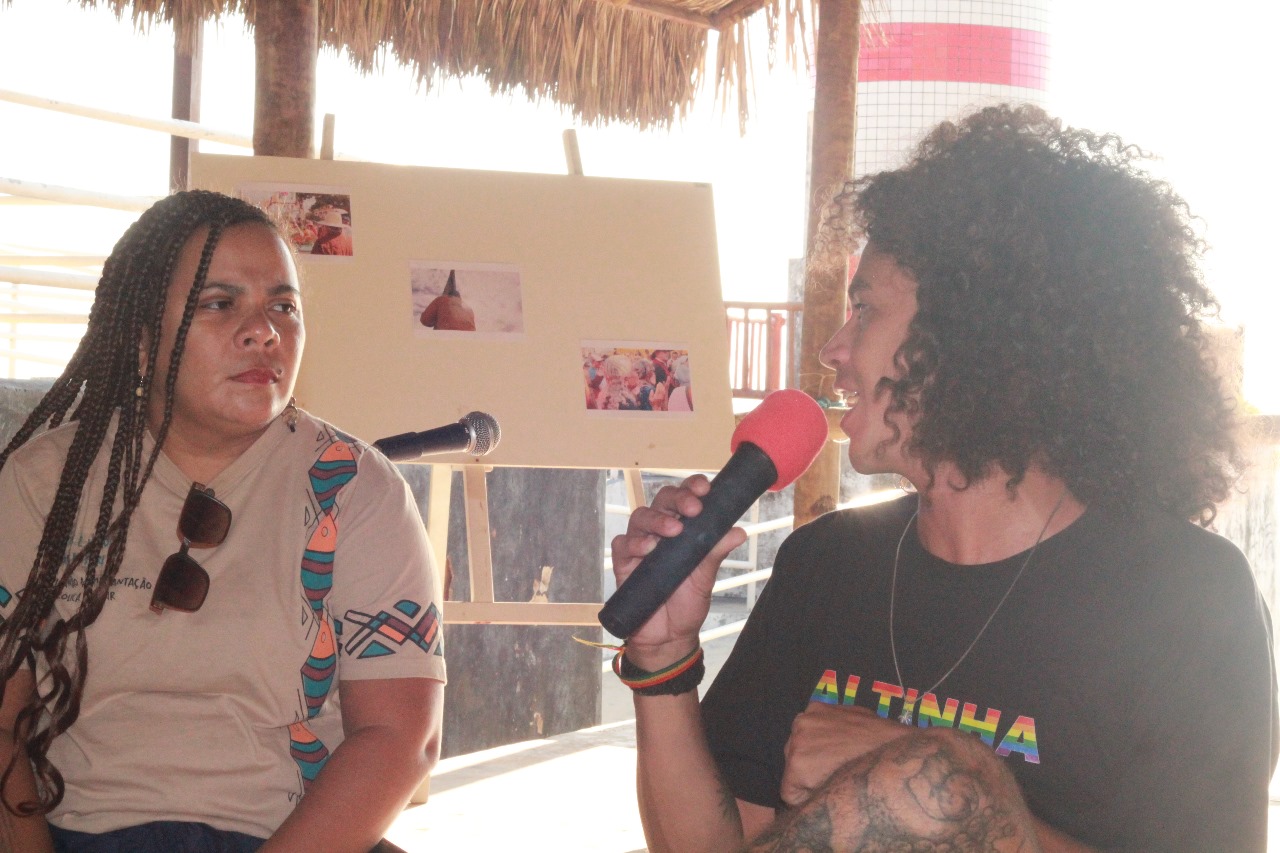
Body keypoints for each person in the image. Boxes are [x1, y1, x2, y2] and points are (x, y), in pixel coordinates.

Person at [610, 104, 1278, 852]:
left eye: (865, 309)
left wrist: (943, 780)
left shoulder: (1186, 595)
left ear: (972, 334)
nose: (833, 349)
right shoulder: (824, 563)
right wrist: (663, 661)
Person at [0, 190, 446, 852]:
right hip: (80, 831)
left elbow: (399, 739)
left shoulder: (358, 490)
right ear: (143, 338)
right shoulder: (42, 483)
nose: (264, 331)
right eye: (219, 303)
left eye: (283, 306)